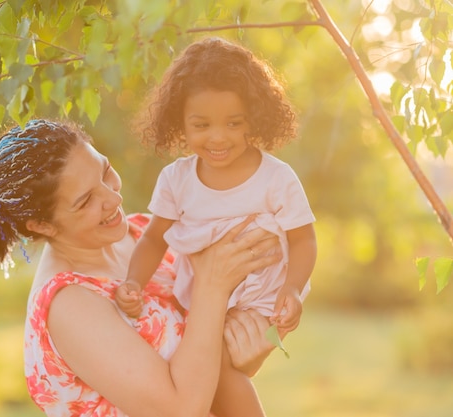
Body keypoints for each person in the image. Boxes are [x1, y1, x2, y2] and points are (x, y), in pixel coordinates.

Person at [0, 118, 282, 417]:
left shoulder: (141, 234)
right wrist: (212, 286)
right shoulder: (71, 304)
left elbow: (216, 361)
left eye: (105, 171)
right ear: (42, 226)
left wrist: (252, 350)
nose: (113, 199)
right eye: (86, 200)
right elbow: (179, 410)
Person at [115, 37, 317, 384]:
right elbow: (152, 239)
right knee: (195, 372)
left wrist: (293, 289)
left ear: (253, 118)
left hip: (262, 301)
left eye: (234, 123)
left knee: (222, 372)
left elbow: (303, 240)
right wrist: (134, 281)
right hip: (202, 303)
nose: (218, 138)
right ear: (180, 122)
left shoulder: (276, 179)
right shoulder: (176, 180)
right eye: (202, 125)